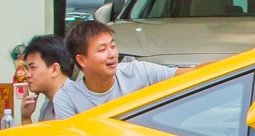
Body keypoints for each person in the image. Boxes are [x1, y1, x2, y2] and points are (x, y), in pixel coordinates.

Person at [49, 19, 178, 119]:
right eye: (102, 50)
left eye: (113, 46)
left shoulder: (138, 71)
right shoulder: (66, 98)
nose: (112, 54)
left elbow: (188, 76)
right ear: (81, 60)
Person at [20, 34, 73, 123]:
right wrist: (26, 118)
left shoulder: (78, 97)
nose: (27, 75)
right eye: (26, 69)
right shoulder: (46, 106)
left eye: (33, 67)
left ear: (54, 69)